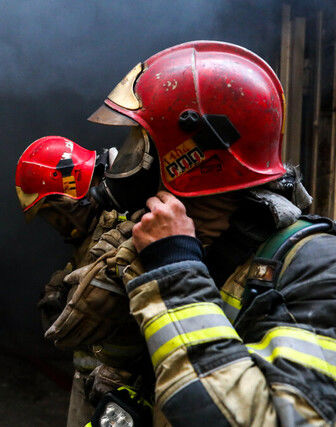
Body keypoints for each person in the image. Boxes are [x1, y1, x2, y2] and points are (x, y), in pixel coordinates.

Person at [85, 40, 336, 425]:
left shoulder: (318, 268)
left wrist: (174, 272)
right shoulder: (213, 247)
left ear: (193, 158)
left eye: (142, 148)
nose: (129, 168)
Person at [15, 135, 152, 427]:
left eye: (55, 215)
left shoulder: (131, 214)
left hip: (125, 388)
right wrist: (63, 282)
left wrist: (123, 373)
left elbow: (152, 305)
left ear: (70, 197)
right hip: (95, 383)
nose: (58, 227)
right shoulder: (100, 217)